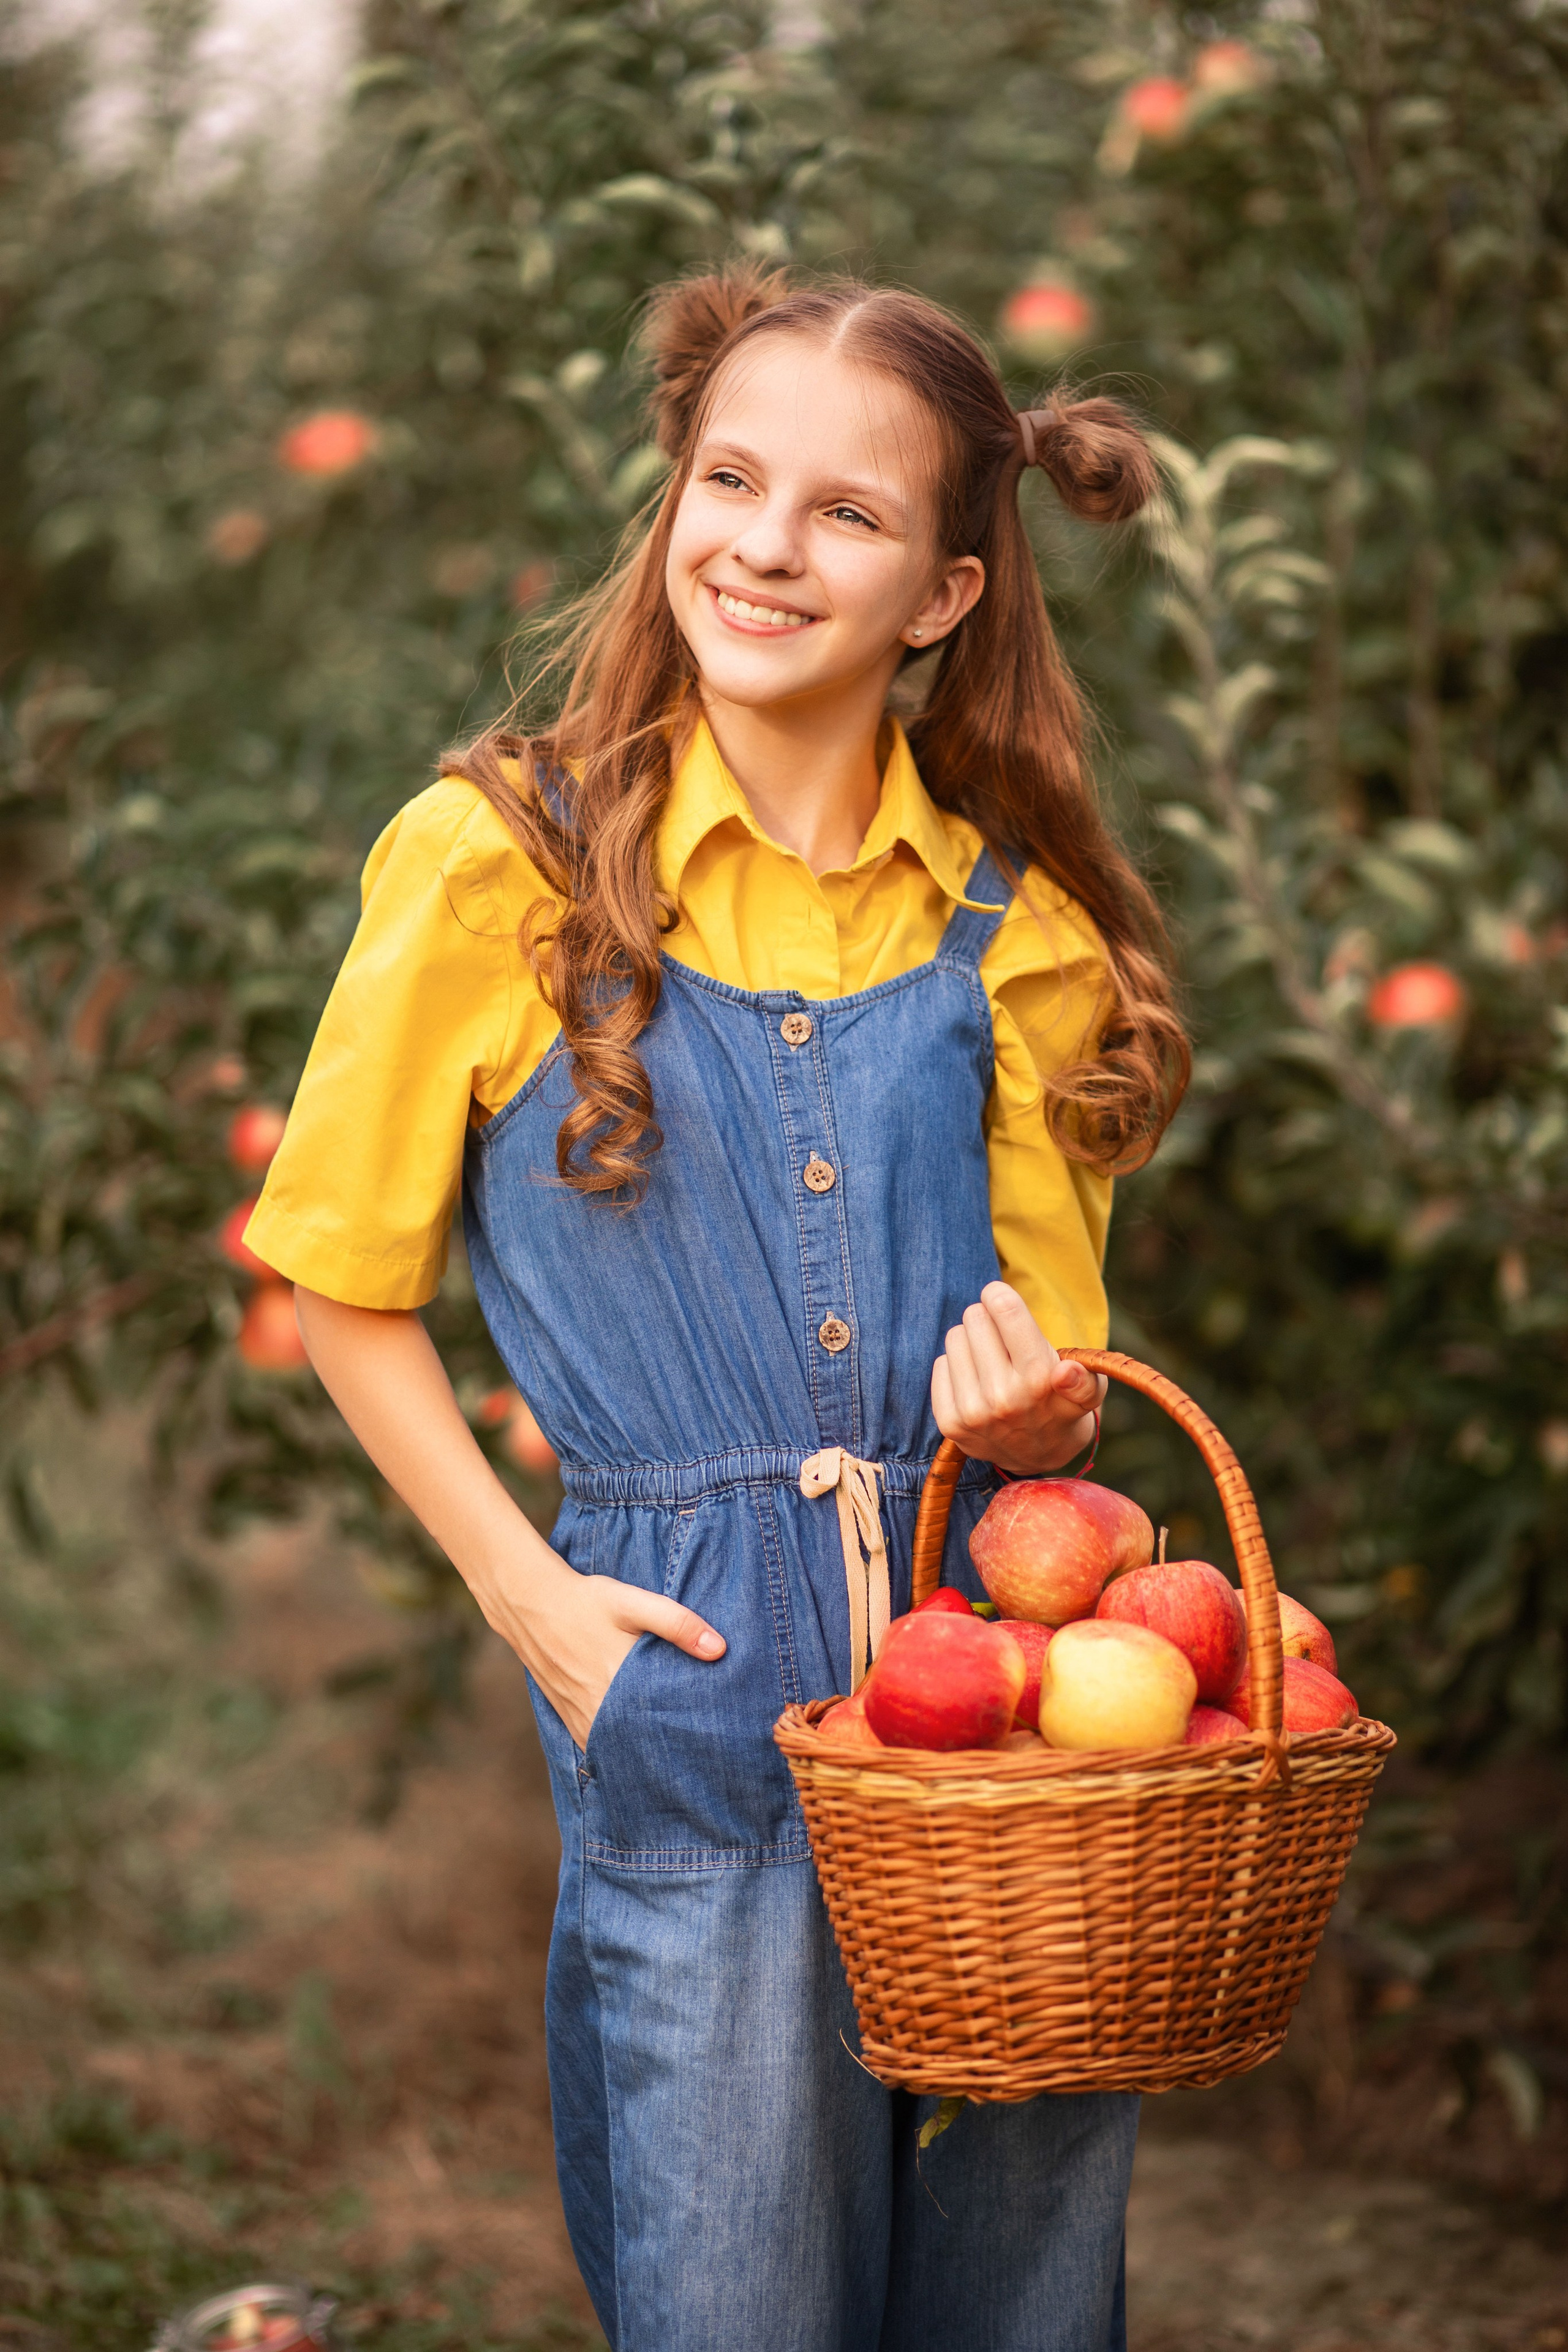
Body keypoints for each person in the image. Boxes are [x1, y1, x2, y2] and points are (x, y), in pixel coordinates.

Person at [247, 265, 1189, 2352]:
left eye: (848, 513)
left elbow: (1058, 1377)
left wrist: (1037, 1424)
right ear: (674, 497)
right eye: (731, 480)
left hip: (997, 1703)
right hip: (680, 1669)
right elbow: (337, 1284)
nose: (766, 545)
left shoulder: (1015, 934)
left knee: (1021, 2272)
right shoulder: (504, 862)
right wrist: (533, 1606)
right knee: (734, 2284)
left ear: (944, 593)